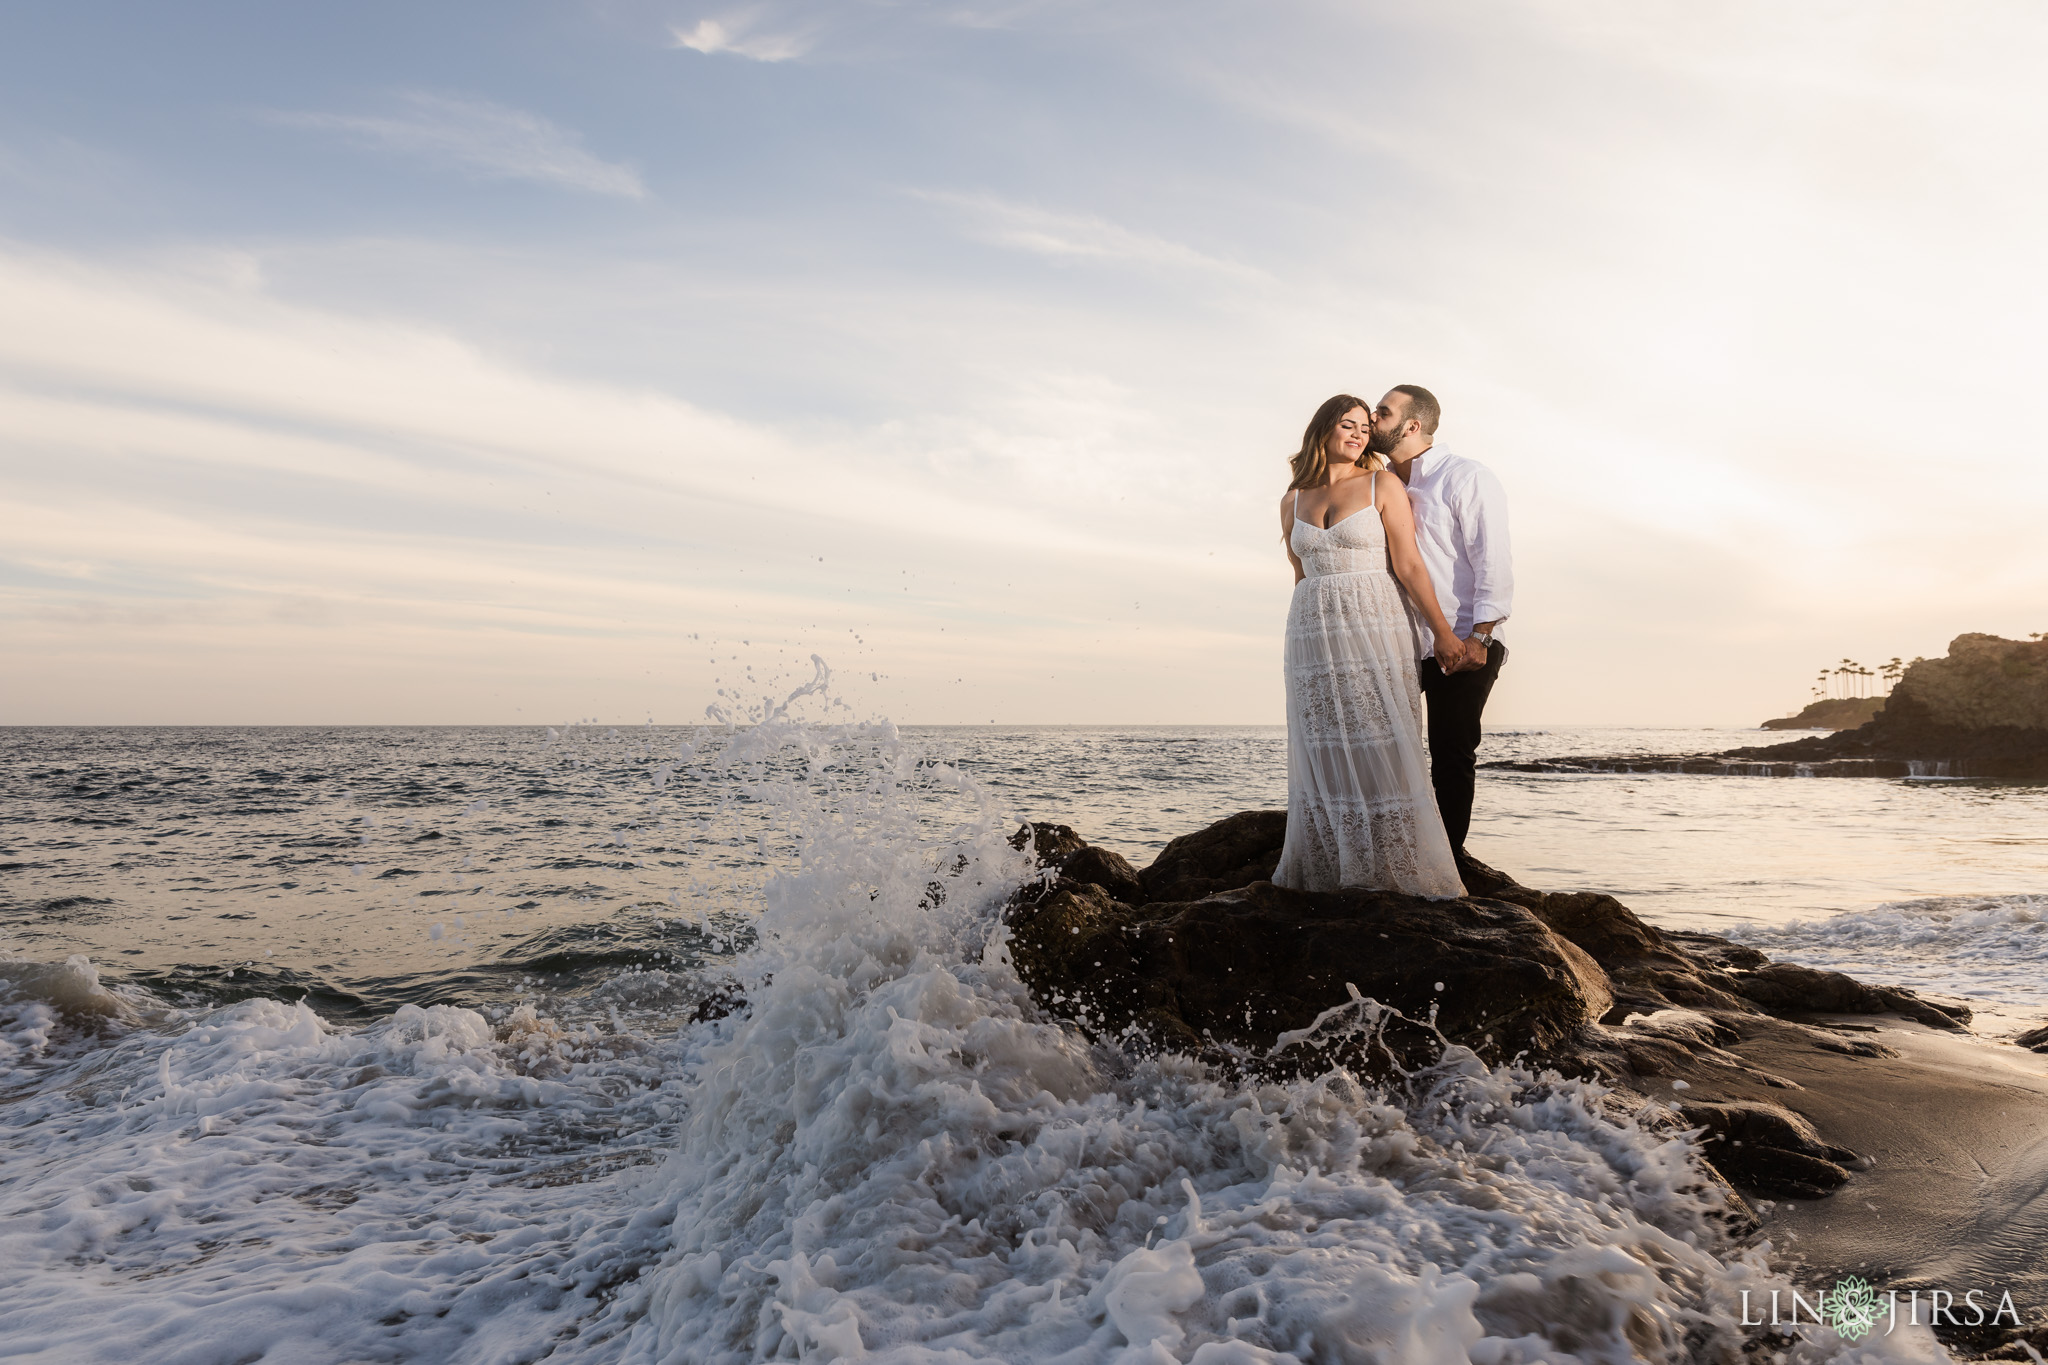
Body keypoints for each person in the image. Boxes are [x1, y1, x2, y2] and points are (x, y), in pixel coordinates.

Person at [1272, 393, 1466, 898]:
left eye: (1364, 426)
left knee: (1381, 735)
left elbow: (1408, 565)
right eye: (1347, 425)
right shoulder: (1292, 500)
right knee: (1325, 743)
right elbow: (1300, 575)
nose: (1358, 434)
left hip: (1374, 624)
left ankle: (1394, 867)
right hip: (1313, 632)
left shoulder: (1383, 484)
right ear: (1323, 431)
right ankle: (1336, 865)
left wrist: (1443, 633)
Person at [1365, 384, 1513, 868]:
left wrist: (1480, 639)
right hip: (1400, 642)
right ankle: (1394, 854)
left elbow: (1492, 562)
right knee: (1386, 754)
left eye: (1382, 412)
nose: (1371, 417)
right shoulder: (1379, 481)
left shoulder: (1465, 477)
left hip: (1465, 642)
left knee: (1451, 754)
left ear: (1412, 426)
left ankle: (1443, 868)